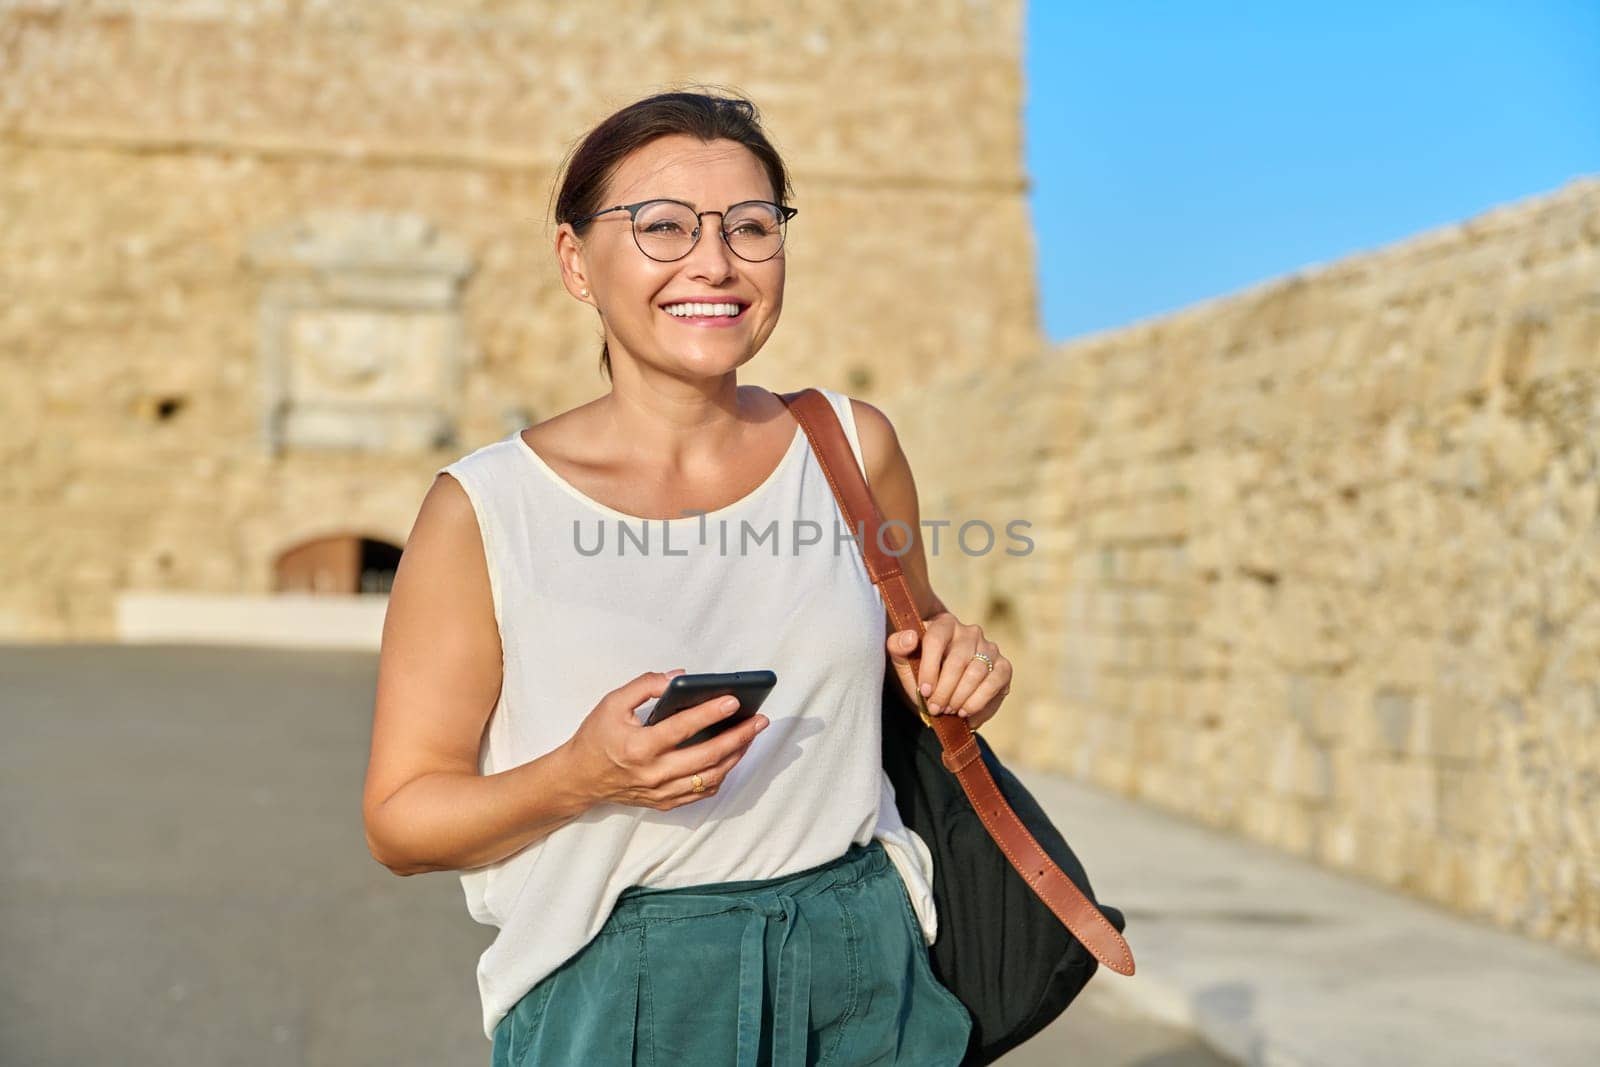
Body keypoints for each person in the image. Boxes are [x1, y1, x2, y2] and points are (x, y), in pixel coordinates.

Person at [361, 88, 1014, 1066]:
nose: (713, 262)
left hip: (866, 965)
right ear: (576, 260)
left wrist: (959, 662)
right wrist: (578, 776)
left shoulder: (853, 446)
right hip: (615, 989)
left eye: (752, 227)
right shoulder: (486, 508)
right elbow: (402, 818)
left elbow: (918, 648)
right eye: (661, 226)